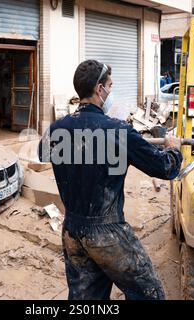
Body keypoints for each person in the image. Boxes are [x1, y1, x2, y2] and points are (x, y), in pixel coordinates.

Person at [38, 60, 183, 300]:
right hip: (107, 234)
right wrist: (173, 149)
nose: (110, 91)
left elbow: (43, 153)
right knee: (150, 295)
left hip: (72, 232)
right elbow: (165, 168)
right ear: (99, 89)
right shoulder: (118, 131)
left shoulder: (56, 129)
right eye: (110, 86)